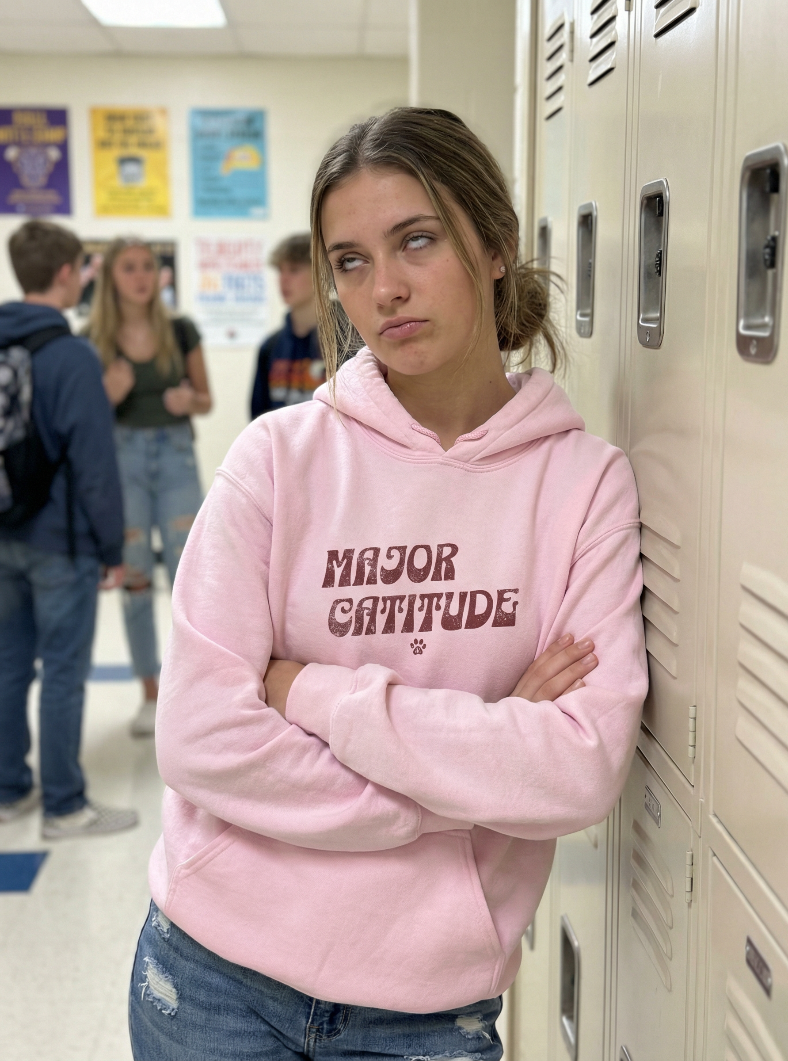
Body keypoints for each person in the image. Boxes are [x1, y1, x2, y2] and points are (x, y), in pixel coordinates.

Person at [129, 108, 647, 1059]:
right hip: (211, 976)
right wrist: (468, 782)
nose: (386, 289)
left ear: (494, 245)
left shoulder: (580, 483)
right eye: (352, 260)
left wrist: (308, 692)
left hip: (426, 1010)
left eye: (418, 240)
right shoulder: (277, 459)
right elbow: (201, 736)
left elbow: (577, 767)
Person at [0, 219, 138, 839]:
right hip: (61, 542)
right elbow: (95, 466)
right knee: (62, 670)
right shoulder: (72, 356)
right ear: (65, 273)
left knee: (7, 667)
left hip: (3, 536)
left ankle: (7, 791)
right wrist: (113, 547)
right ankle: (63, 806)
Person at [88, 238, 212, 738]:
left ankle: (199, 691)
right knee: (136, 575)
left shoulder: (180, 330)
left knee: (195, 575)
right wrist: (106, 396)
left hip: (175, 454)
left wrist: (191, 400)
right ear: (110, 278)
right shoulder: (92, 339)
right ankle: (149, 692)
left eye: (147, 267)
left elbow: (206, 399)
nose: (141, 276)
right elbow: (79, 419)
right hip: (123, 460)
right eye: (129, 268)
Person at [249, 232, 325, 418]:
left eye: (294, 270)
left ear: (320, 272)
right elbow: (259, 418)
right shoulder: (270, 346)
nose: (283, 279)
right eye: (280, 271)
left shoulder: (348, 343)